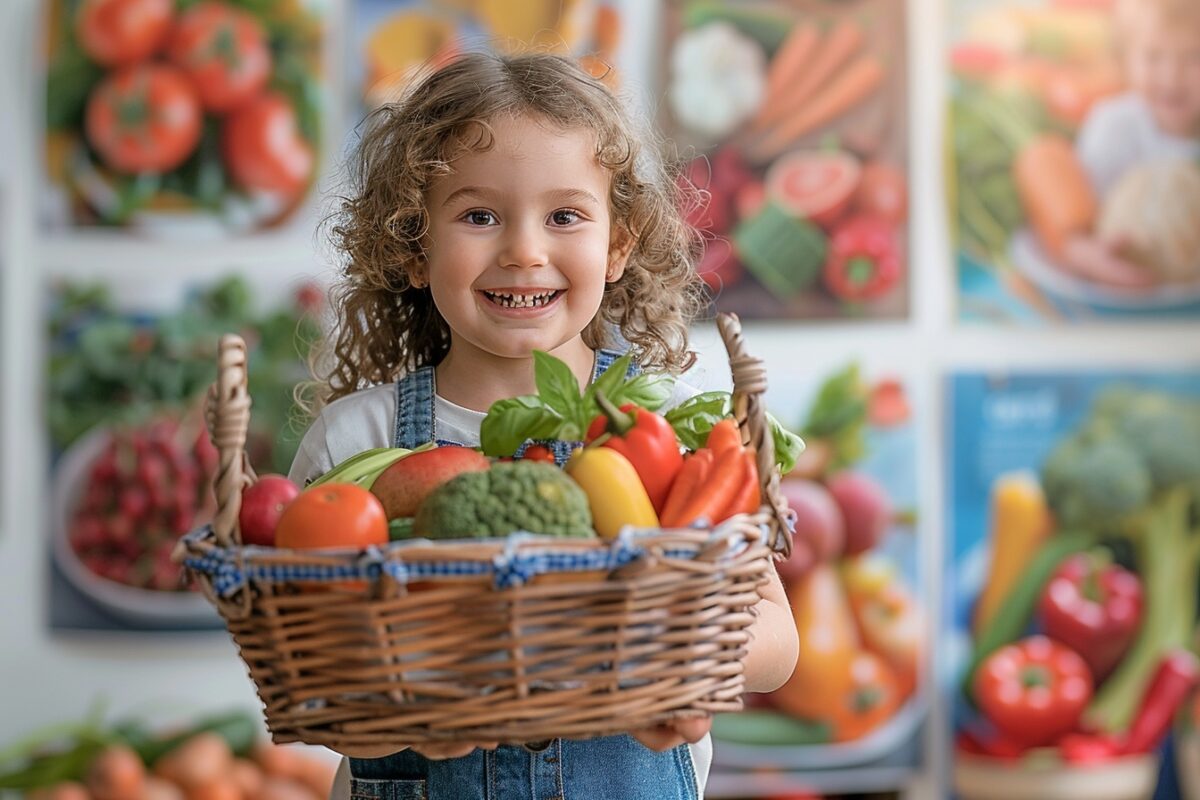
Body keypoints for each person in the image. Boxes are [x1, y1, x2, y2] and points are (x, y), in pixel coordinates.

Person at [287, 51, 800, 800]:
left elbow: (776, 641)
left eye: (564, 215)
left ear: (617, 243)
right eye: (479, 215)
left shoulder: (669, 422)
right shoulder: (355, 443)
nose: (524, 250)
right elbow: (314, 685)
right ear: (414, 243)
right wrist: (415, 708)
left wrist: (681, 665)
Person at [1063, 0, 1200, 288]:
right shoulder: (1112, 127)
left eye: (1194, 57)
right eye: (1153, 56)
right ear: (1125, 60)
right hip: (1124, 289)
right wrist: (1084, 252)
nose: (1172, 75)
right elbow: (1081, 217)